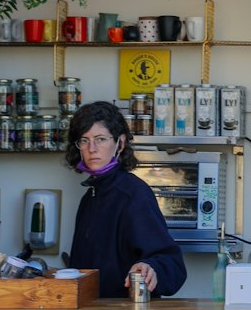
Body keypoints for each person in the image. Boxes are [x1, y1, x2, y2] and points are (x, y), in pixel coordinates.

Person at [66, 100, 186, 299]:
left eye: (101, 139)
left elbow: (172, 264)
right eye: (84, 140)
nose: (92, 148)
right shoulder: (89, 196)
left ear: (120, 143)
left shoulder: (133, 194)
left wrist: (150, 267)